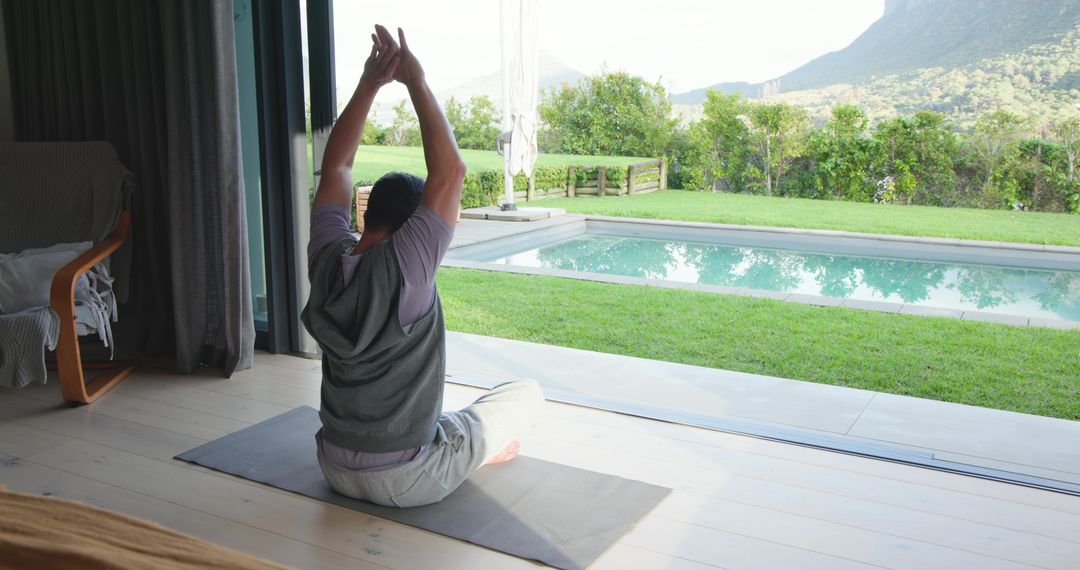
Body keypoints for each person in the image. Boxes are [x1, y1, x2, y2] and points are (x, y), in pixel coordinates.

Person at [301, 25, 544, 508]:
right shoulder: (409, 264)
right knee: (524, 393)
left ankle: (462, 443)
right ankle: (470, 451)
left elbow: (336, 170)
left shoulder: (326, 256)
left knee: (452, 419)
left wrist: (370, 83)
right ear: (414, 226)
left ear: (366, 213)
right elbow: (451, 171)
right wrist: (415, 80)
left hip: (331, 464)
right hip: (407, 479)